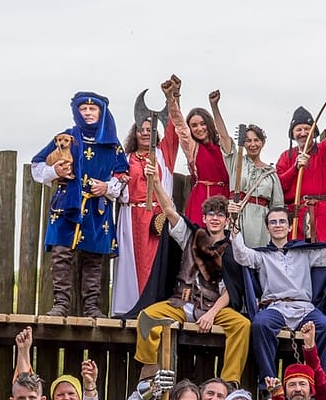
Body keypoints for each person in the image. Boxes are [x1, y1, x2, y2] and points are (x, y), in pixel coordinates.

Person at [133, 161, 251, 387]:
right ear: (204, 218)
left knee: (242, 326)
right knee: (146, 318)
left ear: (226, 220)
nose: (215, 218)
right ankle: (148, 373)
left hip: (213, 307)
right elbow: (169, 210)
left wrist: (211, 315)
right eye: (210, 215)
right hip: (182, 303)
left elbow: (230, 291)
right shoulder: (191, 236)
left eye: (220, 215)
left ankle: (228, 384)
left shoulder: (232, 248)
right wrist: (155, 182)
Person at [31, 91, 129, 318]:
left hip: (96, 208)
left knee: (94, 259)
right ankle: (61, 305)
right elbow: (37, 165)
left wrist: (107, 187)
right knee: (61, 253)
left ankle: (92, 308)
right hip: (67, 204)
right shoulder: (66, 137)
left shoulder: (112, 145)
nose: (87, 113)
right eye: (83, 109)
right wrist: (54, 170)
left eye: (92, 109)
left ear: (101, 112)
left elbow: (123, 176)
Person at [232, 206, 326, 386]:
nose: (278, 225)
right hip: (276, 307)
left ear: (289, 226)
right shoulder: (262, 256)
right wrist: (234, 226)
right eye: (273, 222)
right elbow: (241, 255)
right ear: (267, 228)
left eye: (282, 221)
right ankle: (268, 383)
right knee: (260, 324)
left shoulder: (304, 252)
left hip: (304, 307)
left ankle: (316, 382)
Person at [277, 91, 326, 322]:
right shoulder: (286, 156)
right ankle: (299, 313)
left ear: (313, 131)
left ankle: (324, 314)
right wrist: (295, 168)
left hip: (323, 214)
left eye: (306, 128)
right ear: (292, 133)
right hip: (297, 216)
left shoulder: (324, 151)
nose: (302, 132)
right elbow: (278, 186)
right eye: (298, 129)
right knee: (300, 265)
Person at [113, 102, 180, 315]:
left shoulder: (163, 155)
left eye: (150, 131)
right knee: (131, 264)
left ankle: (154, 308)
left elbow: (174, 129)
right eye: (140, 130)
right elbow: (115, 184)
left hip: (158, 217)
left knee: (156, 263)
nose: (145, 134)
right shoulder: (125, 158)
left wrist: (173, 100)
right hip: (131, 216)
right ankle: (129, 308)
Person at [164, 79, 235, 223]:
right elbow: (180, 125)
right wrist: (172, 98)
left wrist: (214, 106)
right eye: (194, 125)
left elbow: (223, 135)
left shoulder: (224, 147)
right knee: (199, 239)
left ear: (209, 124)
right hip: (201, 200)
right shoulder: (193, 148)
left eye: (203, 123)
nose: (199, 128)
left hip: (224, 197)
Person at [226, 118, 285, 250]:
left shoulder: (270, 173)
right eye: (248, 140)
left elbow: (277, 206)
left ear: (262, 143)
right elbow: (224, 137)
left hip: (260, 225)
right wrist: (215, 106)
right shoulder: (237, 163)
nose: (253, 144)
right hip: (237, 217)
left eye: (256, 140)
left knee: (258, 260)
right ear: (243, 143)